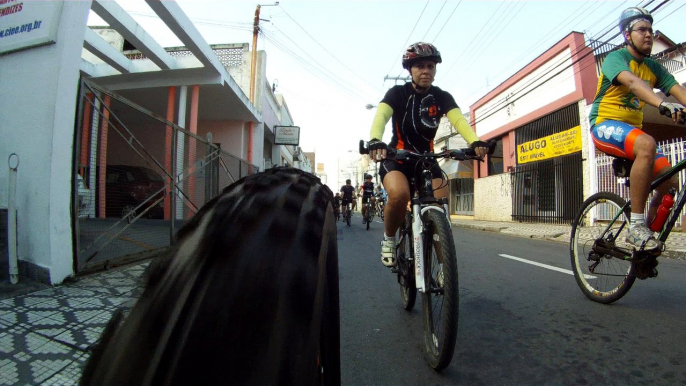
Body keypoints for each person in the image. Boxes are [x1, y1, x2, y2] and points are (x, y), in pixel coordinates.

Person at [368, 42, 489, 267]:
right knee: (399, 195)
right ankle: (389, 238)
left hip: (426, 160)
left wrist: (474, 141)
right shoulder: (397, 93)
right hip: (398, 158)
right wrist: (376, 140)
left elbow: (459, 120)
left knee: (441, 207)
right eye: (420, 66)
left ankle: (445, 270)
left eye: (431, 66)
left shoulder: (441, 96)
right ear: (410, 70)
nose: (426, 71)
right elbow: (381, 117)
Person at [589, 7, 686, 251]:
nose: (648, 35)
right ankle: (636, 226)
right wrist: (661, 103)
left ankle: (647, 241)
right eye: (641, 30)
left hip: (632, 132)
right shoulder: (616, 58)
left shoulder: (654, 67)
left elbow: (679, 92)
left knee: (670, 181)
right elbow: (633, 83)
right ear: (627, 34)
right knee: (647, 143)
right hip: (604, 125)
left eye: (651, 31)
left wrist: (673, 100)